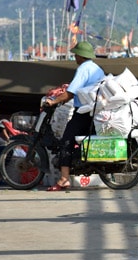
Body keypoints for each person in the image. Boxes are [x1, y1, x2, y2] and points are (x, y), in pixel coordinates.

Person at [44, 41, 105, 191]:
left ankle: (64, 179)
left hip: (84, 113)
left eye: (76, 54)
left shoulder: (83, 69)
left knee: (66, 140)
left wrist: (54, 101)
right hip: (96, 112)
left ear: (80, 56)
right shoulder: (96, 68)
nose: (75, 57)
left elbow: (71, 93)